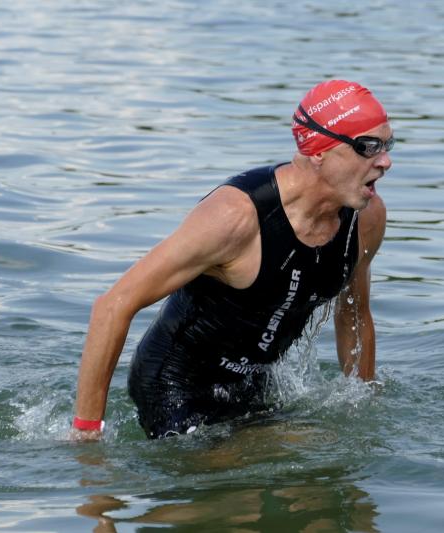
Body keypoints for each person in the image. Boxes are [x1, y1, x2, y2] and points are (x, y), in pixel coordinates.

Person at [71, 80, 393, 439]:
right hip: (176, 388)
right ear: (319, 151)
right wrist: (87, 438)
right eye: (368, 147)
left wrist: (365, 408)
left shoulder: (367, 219)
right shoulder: (236, 217)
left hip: (253, 385)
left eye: (388, 145)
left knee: (323, 453)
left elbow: (354, 313)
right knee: (309, 443)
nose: (385, 161)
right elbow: (112, 306)